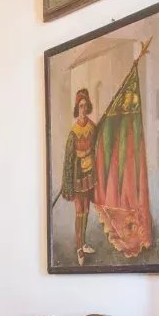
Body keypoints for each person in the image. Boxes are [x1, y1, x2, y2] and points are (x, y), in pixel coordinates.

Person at [60, 88, 98, 264]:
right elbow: (68, 161)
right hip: (78, 176)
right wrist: (67, 182)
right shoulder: (73, 132)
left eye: (85, 105)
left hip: (89, 175)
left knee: (87, 210)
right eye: (80, 106)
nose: (83, 109)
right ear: (77, 108)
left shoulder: (93, 127)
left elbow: (97, 148)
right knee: (79, 211)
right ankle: (79, 248)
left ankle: (83, 243)